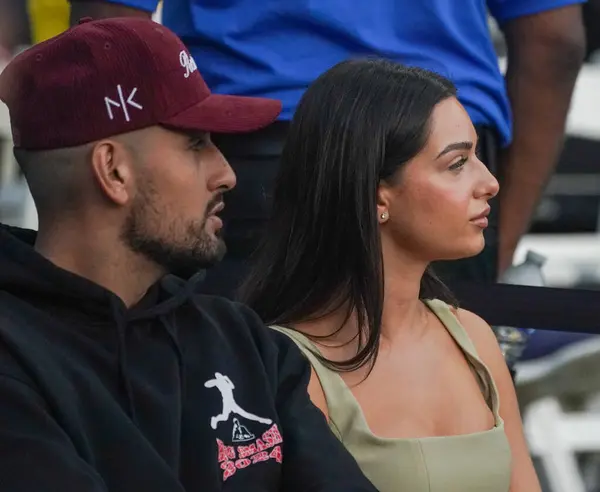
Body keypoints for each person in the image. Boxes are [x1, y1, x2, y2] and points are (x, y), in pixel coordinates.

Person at [0, 18, 378, 492]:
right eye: (196, 143)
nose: (226, 174)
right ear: (114, 171)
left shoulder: (245, 342)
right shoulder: (14, 359)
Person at [68, 0, 586, 299]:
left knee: (234, 431)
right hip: (441, 152)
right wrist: (497, 243)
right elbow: (554, 40)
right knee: (446, 422)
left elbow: (108, 42)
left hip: (251, 149)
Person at [240, 59, 541, 491]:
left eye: (477, 156)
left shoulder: (473, 336)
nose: (490, 182)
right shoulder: (289, 365)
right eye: (457, 163)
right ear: (377, 193)